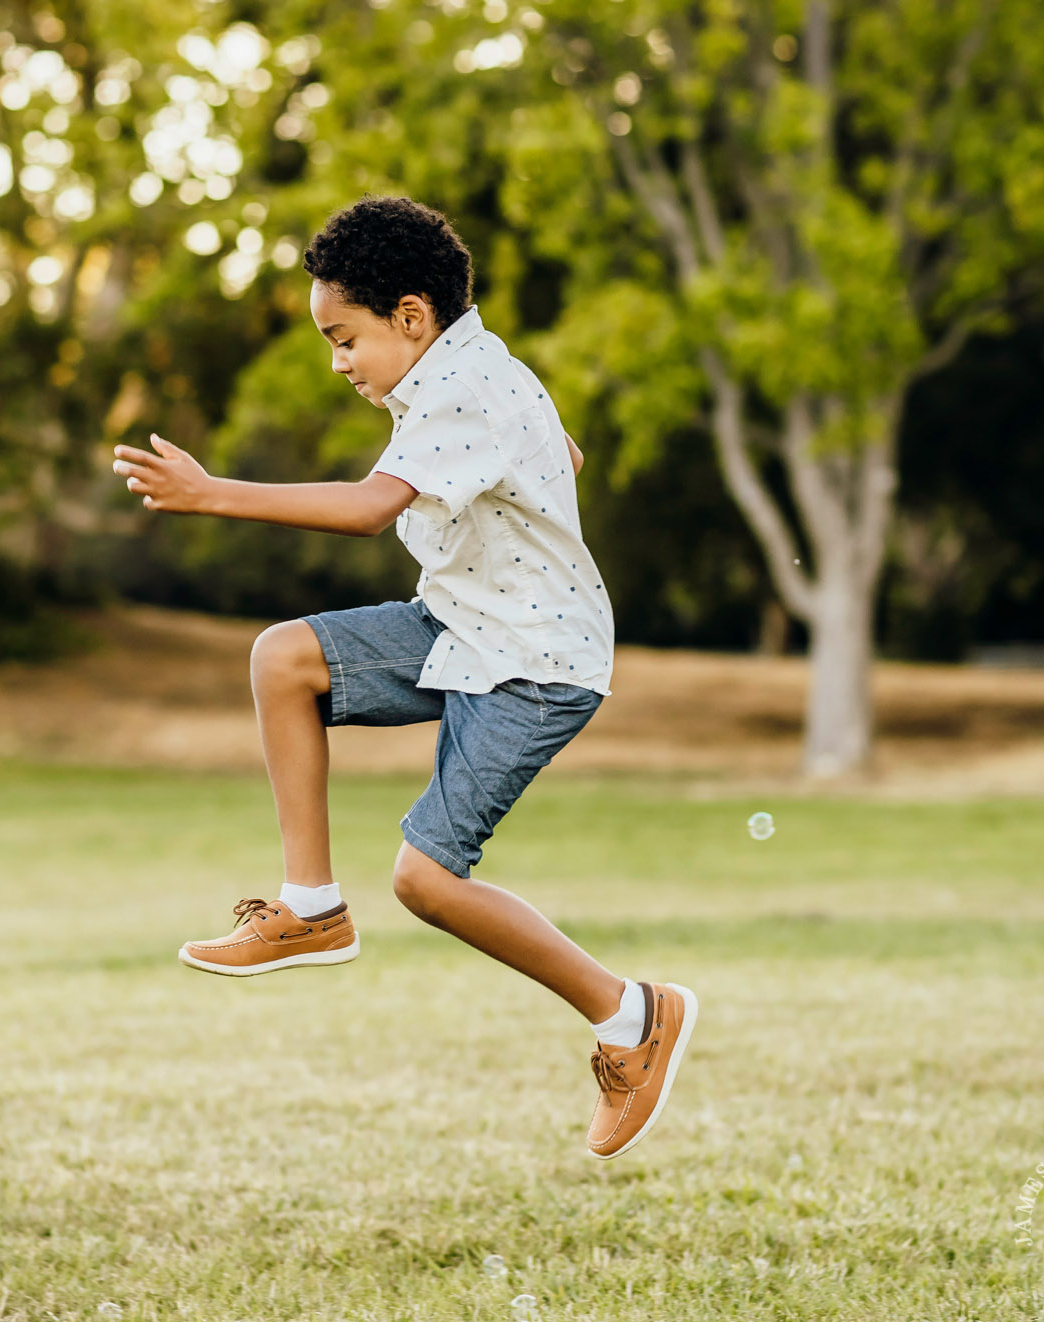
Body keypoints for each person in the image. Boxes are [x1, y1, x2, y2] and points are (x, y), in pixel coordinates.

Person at [108, 196, 696, 1159]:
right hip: (461, 625)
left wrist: (212, 494)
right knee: (283, 656)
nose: (339, 363)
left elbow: (370, 509)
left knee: (426, 881)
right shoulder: (469, 370)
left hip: (533, 665)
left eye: (345, 339)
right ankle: (310, 908)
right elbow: (567, 450)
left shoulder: (466, 389)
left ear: (412, 316)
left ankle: (633, 1016)